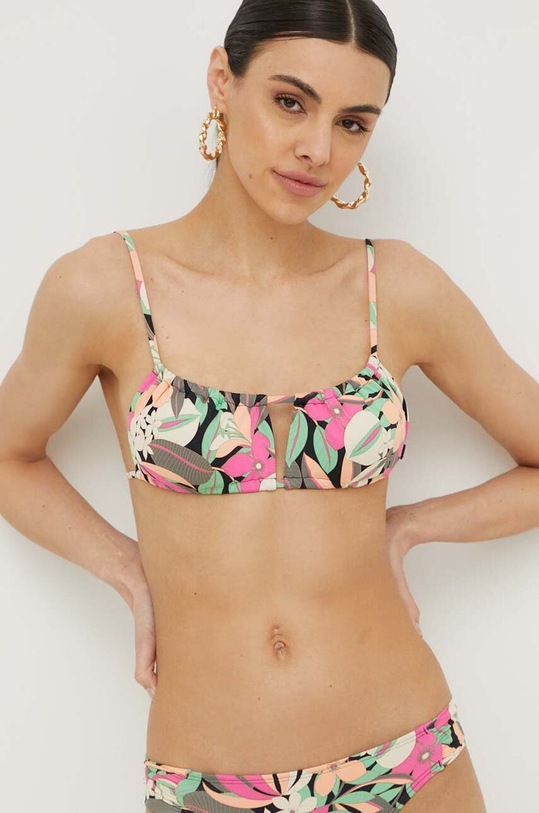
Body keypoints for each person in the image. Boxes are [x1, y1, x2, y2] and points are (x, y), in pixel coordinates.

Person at [1, 1, 538, 810]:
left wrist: (410, 525)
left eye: (352, 123)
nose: (318, 149)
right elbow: (9, 453)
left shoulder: (395, 287)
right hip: (210, 775)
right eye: (290, 102)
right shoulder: (104, 287)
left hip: (406, 752)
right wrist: (127, 570)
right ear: (222, 81)